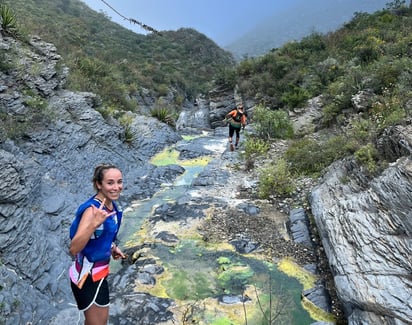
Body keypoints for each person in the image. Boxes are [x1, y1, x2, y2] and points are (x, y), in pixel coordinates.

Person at [69, 163, 126, 325]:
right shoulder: (92, 210)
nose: (117, 187)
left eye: (119, 182)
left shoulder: (110, 204)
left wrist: (112, 247)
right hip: (86, 277)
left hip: (100, 274)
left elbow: (101, 236)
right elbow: (74, 248)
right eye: (110, 183)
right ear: (98, 184)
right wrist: (93, 224)